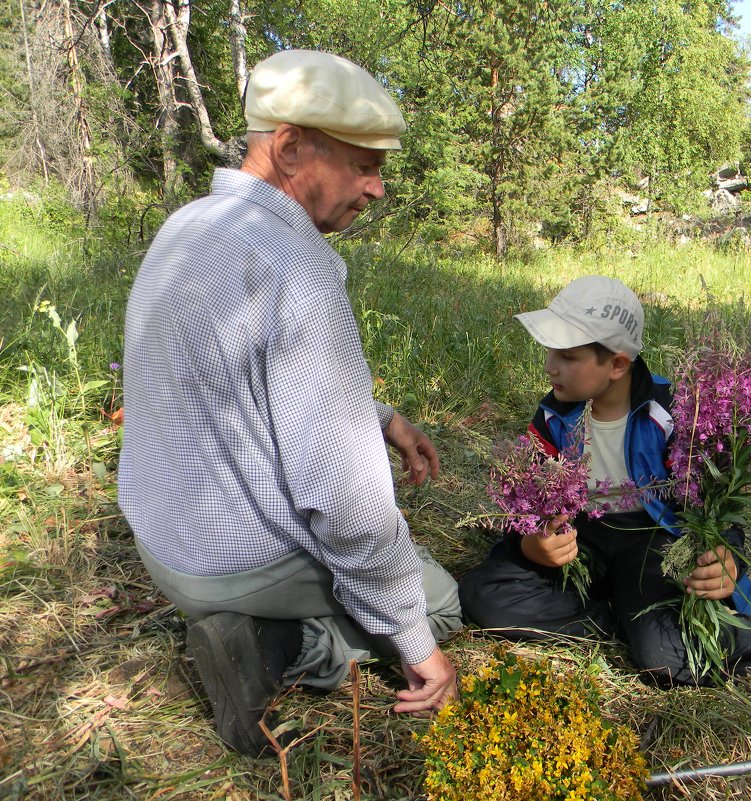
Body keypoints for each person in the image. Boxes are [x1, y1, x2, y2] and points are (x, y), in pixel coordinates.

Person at [118, 49, 461, 756]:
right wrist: (416, 640)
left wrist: (383, 419)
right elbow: (345, 501)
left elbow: (242, 380)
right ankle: (288, 646)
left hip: (162, 541)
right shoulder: (296, 265)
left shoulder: (185, 230)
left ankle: (252, 622)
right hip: (232, 566)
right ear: (291, 146)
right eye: (363, 165)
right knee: (442, 598)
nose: (376, 190)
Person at [459, 275, 751, 686]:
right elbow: (531, 502)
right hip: (583, 538)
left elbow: (714, 502)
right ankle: (635, 622)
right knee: (484, 597)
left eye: (567, 355)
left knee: (669, 660)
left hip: (651, 541)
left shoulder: (676, 414)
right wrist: (530, 547)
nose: (550, 366)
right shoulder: (554, 416)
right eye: (551, 351)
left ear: (617, 364)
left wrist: (727, 555)